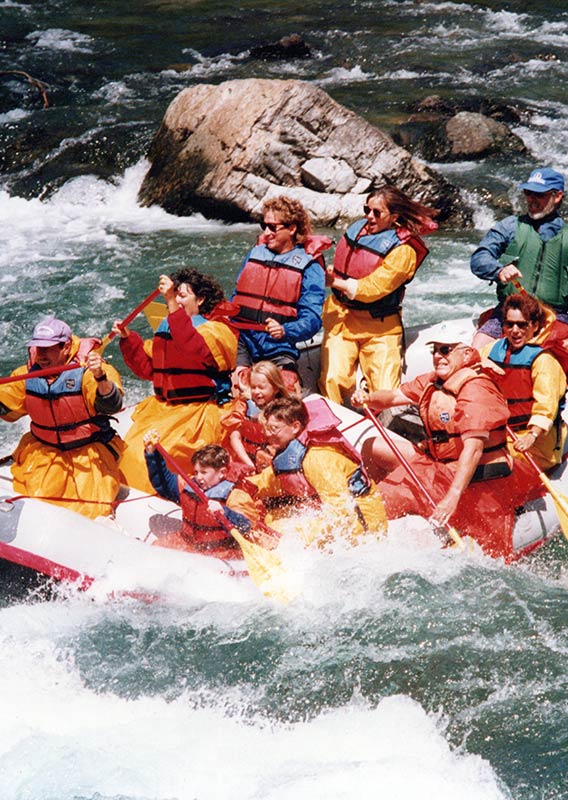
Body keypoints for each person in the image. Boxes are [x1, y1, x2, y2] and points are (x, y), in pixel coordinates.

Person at [352, 333, 545, 559]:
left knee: (390, 498)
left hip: (477, 480)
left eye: (445, 350)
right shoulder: (432, 381)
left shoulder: (477, 389)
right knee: (373, 446)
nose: (437, 356)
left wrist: (452, 498)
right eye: (435, 350)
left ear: (466, 353)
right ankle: (362, 518)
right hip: (440, 465)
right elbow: (393, 397)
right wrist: (367, 398)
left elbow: (473, 450)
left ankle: (365, 525)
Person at [115, 269, 238, 493]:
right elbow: (148, 369)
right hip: (164, 411)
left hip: (197, 413)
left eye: (183, 295)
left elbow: (190, 343)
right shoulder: (167, 327)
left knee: (152, 461)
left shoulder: (216, 330)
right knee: (130, 453)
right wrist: (128, 338)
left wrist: (170, 301)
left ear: (200, 299)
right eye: (176, 295)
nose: (178, 300)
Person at [319, 186, 438, 403]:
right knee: (332, 379)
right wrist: (331, 274)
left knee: (384, 391)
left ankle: (380, 428)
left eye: (377, 213)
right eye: (367, 209)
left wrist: (334, 282)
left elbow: (374, 288)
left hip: (380, 328)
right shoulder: (358, 230)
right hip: (342, 320)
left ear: (394, 217)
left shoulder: (404, 250)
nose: (369, 217)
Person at [0, 317, 125, 519]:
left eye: (48, 349)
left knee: (91, 511)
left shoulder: (89, 371)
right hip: (45, 451)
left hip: (87, 451)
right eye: (38, 348)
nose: (41, 355)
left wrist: (100, 377)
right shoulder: (26, 374)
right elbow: (5, 403)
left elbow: (112, 405)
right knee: (39, 501)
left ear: (66, 347)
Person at [246, 396, 387, 546]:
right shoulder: (298, 453)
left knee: (279, 529)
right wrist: (240, 489)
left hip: (365, 531)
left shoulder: (317, 459)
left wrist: (293, 541)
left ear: (295, 427)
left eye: (274, 429)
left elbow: (342, 513)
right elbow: (268, 480)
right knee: (272, 518)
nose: (268, 434)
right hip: (347, 521)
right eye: (267, 428)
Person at [231, 195, 331, 392]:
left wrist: (285, 330)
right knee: (237, 390)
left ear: (292, 228)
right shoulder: (255, 254)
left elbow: (312, 319)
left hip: (278, 346)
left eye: (272, 227)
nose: (266, 232)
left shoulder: (310, 266)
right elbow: (236, 298)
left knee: (286, 392)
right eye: (263, 226)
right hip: (243, 340)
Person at [471, 167, 567, 348]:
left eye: (539, 194)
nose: (531, 199)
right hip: (509, 314)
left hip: (556, 315)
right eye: (528, 193)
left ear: (557, 196)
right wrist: (498, 270)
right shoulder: (510, 226)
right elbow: (479, 258)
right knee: (476, 351)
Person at [482, 293, 566, 471]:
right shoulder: (491, 350)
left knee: (487, 461)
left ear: (534, 326)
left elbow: (546, 406)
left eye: (522, 325)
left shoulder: (544, 360)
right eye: (509, 324)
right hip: (501, 432)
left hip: (535, 440)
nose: (514, 330)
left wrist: (532, 435)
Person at [143, 437, 263, 559]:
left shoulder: (235, 496)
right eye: (196, 472)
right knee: (156, 548)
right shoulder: (189, 486)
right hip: (188, 542)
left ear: (222, 472)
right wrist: (152, 454)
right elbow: (165, 484)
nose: (198, 477)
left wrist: (225, 512)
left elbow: (247, 527)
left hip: (219, 551)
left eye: (204, 472)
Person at [221, 360, 295, 472]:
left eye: (261, 387)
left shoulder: (285, 409)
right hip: (245, 459)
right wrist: (250, 465)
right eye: (253, 387)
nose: (256, 392)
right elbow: (234, 438)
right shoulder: (244, 406)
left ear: (275, 388)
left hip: (271, 459)